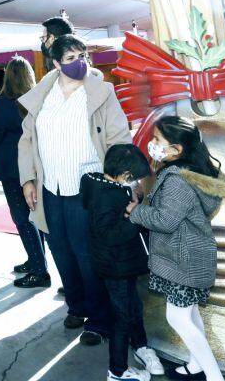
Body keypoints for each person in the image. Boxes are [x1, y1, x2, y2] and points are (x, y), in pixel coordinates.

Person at [17, 34, 132, 345]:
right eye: (70, 58)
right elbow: (27, 140)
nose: (79, 62)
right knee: (62, 252)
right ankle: (77, 306)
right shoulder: (43, 95)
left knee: (87, 255)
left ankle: (98, 318)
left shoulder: (100, 92)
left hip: (88, 189)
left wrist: (121, 181)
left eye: (82, 55)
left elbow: (119, 138)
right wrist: (28, 179)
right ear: (55, 63)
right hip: (49, 189)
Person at [128, 116, 225, 381]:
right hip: (190, 256)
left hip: (181, 260)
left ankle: (213, 376)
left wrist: (135, 211)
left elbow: (165, 220)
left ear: (177, 150)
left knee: (178, 318)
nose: (151, 144)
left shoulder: (177, 180)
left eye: (157, 140)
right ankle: (196, 364)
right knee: (189, 312)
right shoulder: (194, 173)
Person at [81, 144, 164, 380]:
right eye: (135, 179)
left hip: (119, 264)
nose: (136, 183)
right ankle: (118, 370)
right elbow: (109, 235)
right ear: (125, 176)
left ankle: (141, 346)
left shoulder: (98, 183)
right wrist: (131, 215)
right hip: (116, 265)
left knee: (132, 306)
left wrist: (130, 198)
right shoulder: (108, 197)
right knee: (123, 317)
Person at [0, 57, 49, 288]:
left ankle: (40, 271)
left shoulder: (4, 103)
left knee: (22, 218)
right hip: (35, 166)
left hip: (12, 169)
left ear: (8, 76)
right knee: (35, 216)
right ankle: (36, 260)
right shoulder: (37, 100)